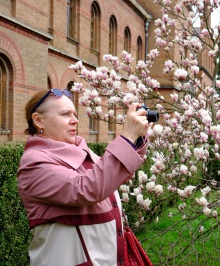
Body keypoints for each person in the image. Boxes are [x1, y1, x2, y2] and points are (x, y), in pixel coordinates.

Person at [17, 88, 149, 266]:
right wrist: (127, 138)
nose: (75, 120)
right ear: (39, 120)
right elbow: (87, 188)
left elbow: (115, 175)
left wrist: (137, 138)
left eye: (74, 113)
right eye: (65, 114)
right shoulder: (34, 164)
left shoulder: (79, 149)